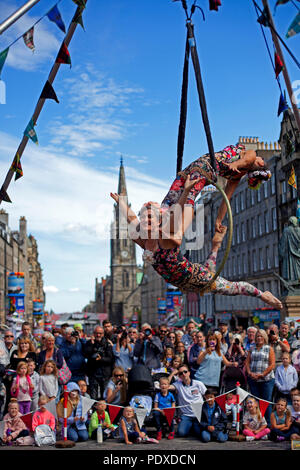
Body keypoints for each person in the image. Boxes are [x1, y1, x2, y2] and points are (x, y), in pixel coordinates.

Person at [110, 187, 282, 310]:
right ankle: (216, 245)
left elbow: (178, 212)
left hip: (195, 277)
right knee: (208, 268)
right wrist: (121, 203)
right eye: (144, 217)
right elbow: (131, 218)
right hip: (184, 282)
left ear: (159, 220)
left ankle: (262, 294)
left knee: (232, 288)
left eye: (150, 217)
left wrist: (186, 192)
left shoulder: (164, 236)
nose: (145, 220)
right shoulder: (142, 239)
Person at [161, 143, 271, 232]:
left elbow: (226, 198)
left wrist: (219, 220)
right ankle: (161, 225)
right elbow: (247, 160)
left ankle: (175, 230)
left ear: (260, 164)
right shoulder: (249, 155)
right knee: (174, 198)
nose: (261, 158)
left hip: (203, 170)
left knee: (185, 197)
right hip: (198, 167)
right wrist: (236, 164)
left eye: (262, 159)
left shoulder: (237, 175)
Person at [245, 329, 276, 425]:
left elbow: (272, 364)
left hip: (266, 379)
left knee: (266, 402)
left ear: (264, 337)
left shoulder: (269, 348)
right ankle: (258, 424)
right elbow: (247, 362)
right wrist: (249, 373)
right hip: (254, 379)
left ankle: (269, 426)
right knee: (256, 403)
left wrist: (263, 374)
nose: (259, 338)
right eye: (257, 336)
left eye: (261, 336)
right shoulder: (252, 348)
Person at [168, 364, 206, 438]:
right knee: (181, 433)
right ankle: (190, 426)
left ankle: (193, 427)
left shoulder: (198, 384)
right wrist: (172, 374)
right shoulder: (177, 385)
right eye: (180, 373)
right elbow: (165, 386)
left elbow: (208, 397)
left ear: (189, 373)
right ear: (179, 376)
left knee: (199, 433)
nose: (183, 374)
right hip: (186, 415)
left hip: (198, 414)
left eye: (185, 372)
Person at [84, 326, 114, 400]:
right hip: (93, 373)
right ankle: (94, 410)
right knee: (93, 396)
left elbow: (110, 359)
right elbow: (86, 354)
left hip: (104, 374)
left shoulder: (107, 344)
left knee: (104, 396)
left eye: (100, 333)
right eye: (96, 333)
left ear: (103, 334)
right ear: (93, 334)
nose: (98, 335)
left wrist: (101, 359)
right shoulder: (89, 343)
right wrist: (92, 344)